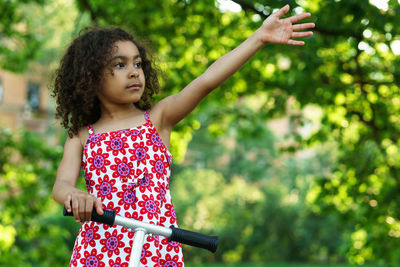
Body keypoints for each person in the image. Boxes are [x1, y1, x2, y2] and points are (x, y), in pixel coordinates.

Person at [52, 4, 314, 266]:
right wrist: (75, 196)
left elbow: (207, 80)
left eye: (138, 63)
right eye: (119, 65)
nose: (134, 71)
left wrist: (259, 37)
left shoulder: (157, 119)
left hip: (156, 250)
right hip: (97, 253)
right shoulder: (82, 135)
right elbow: (61, 185)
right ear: (90, 77)